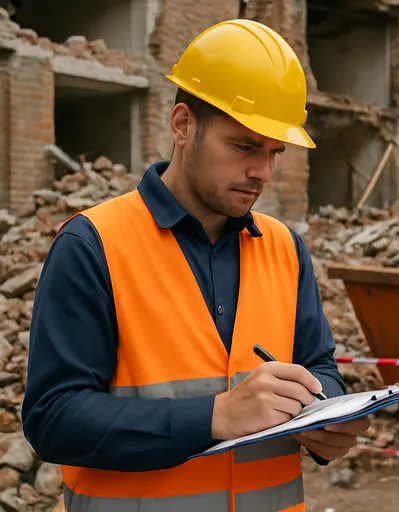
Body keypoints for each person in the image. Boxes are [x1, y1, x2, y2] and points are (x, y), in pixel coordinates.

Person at [21, 19, 371, 512]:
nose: (262, 172)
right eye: (244, 146)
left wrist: (326, 415)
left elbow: (318, 367)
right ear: (183, 125)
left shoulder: (285, 248)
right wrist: (217, 416)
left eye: (275, 152)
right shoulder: (92, 245)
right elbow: (53, 419)